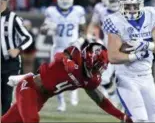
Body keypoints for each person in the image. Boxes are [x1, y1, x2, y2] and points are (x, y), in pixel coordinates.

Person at [1, 42, 132, 123]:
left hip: (41, 98)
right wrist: (66, 61)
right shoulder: (75, 56)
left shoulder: (91, 80)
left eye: (100, 69)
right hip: (30, 86)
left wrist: (122, 116)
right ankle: (26, 76)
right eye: (97, 68)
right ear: (88, 61)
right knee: (32, 120)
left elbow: (101, 100)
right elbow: (59, 55)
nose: (98, 73)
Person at [103, 0, 155, 122]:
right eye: (128, 6)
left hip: (147, 76)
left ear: (141, 4)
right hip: (127, 78)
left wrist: (145, 44)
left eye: (134, 5)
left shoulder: (151, 14)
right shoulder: (114, 21)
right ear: (121, 5)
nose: (132, 9)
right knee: (140, 119)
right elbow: (113, 57)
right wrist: (135, 56)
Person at [40, 0, 86, 111]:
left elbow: (83, 31)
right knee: (55, 77)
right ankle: (61, 103)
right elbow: (42, 31)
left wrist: (79, 41)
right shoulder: (51, 11)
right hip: (58, 48)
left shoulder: (78, 11)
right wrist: (48, 27)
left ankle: (73, 93)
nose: (65, 1)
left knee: (74, 74)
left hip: (73, 47)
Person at [1, 0, 33, 115]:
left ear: (3, 2)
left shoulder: (13, 18)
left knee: (6, 97)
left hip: (10, 63)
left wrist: (18, 49)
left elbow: (28, 37)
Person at [87, 0, 120, 107]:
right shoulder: (102, 12)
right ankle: (113, 97)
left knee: (127, 80)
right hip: (109, 50)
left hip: (124, 51)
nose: (114, 3)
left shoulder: (126, 12)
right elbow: (93, 25)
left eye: (116, 1)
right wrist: (90, 36)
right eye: (112, 1)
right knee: (105, 79)